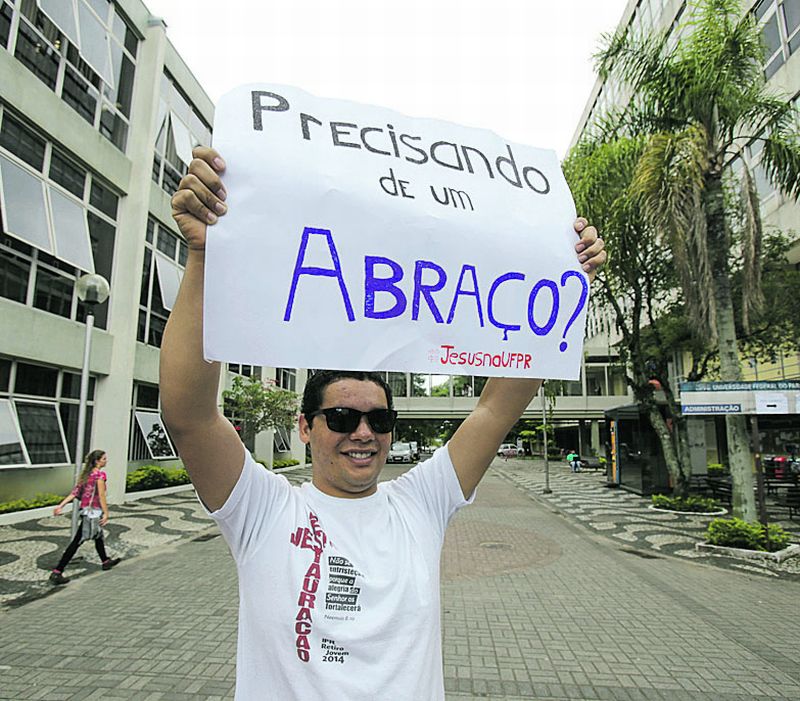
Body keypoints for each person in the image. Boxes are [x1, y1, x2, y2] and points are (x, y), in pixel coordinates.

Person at [161, 147, 605, 700]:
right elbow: (188, 415)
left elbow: (494, 409)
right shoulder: (264, 508)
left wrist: (564, 277)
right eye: (342, 417)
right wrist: (205, 257)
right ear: (305, 426)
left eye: (379, 418)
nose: (363, 432)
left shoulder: (420, 502)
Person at [49, 450, 121, 585]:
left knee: (98, 536)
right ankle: (57, 571)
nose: (106, 461)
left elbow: (74, 493)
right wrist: (106, 513)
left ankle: (105, 561)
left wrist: (61, 505)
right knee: (78, 541)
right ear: (97, 461)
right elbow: (101, 496)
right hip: (93, 512)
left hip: (86, 511)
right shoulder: (99, 476)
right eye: (104, 459)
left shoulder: (86, 476)